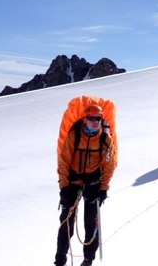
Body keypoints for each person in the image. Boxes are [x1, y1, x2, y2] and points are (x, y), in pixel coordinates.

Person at [55, 104, 116, 266]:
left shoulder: (105, 139)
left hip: (93, 185)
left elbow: (109, 165)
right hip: (72, 184)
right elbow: (64, 162)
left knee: (91, 224)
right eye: (91, 118)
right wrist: (64, 187)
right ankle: (60, 260)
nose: (95, 121)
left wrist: (104, 188)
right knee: (66, 224)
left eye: (98, 118)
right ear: (85, 118)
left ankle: (88, 260)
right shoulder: (74, 136)